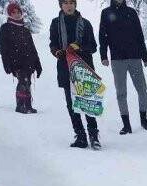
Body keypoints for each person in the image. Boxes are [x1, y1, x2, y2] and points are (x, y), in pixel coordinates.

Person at [49, 0, 101, 150]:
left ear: (75, 5)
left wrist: (79, 47)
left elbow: (93, 47)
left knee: (87, 102)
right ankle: (80, 136)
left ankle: (93, 135)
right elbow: (53, 44)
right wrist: (57, 51)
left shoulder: (86, 23)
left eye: (71, 2)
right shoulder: (55, 23)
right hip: (65, 67)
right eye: (65, 3)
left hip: (84, 67)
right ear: (61, 5)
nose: (69, 6)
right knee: (71, 104)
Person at [98, 0, 147, 135]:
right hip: (117, 59)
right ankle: (126, 124)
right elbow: (102, 36)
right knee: (121, 93)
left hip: (135, 57)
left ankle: (144, 119)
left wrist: (145, 57)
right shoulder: (106, 13)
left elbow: (139, 35)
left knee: (142, 89)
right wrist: (103, 55)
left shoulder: (131, 13)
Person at [0, 2, 42, 114]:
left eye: (18, 12)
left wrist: (38, 65)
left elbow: (32, 49)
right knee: (23, 82)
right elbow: (3, 48)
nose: (16, 14)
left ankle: (28, 105)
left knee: (28, 83)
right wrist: (6, 64)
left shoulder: (25, 30)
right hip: (16, 62)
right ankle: (20, 105)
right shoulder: (5, 28)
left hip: (29, 62)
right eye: (13, 12)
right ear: (9, 14)